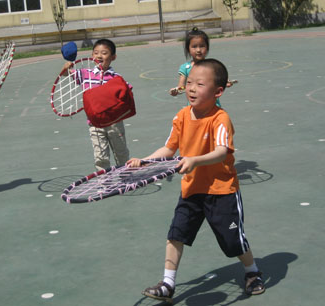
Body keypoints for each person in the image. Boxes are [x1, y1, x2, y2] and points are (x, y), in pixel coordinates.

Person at [127, 59, 265, 303]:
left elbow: (222, 151)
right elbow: (169, 149)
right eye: (189, 82)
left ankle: (252, 271)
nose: (191, 88)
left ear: (218, 92)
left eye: (199, 84)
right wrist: (145, 160)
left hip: (222, 191)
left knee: (232, 241)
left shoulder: (220, 119)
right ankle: (168, 283)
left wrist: (194, 160)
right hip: (191, 190)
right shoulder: (181, 116)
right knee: (176, 234)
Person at [61, 39, 130, 171]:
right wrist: (66, 66)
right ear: (92, 56)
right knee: (100, 157)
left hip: (114, 122)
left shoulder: (116, 78)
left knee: (121, 153)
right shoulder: (85, 74)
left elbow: (127, 94)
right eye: (96, 53)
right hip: (95, 123)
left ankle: (126, 176)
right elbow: (66, 74)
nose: (99, 56)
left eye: (104, 53)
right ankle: (104, 182)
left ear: (113, 57)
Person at [169, 27, 236, 106]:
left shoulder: (212, 66)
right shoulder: (185, 68)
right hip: (194, 108)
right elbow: (182, 87)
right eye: (194, 46)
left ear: (207, 48)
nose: (198, 50)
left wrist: (225, 83)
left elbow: (219, 83)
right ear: (188, 49)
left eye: (202, 46)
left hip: (212, 107)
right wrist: (176, 90)